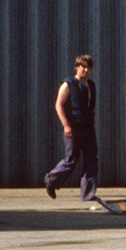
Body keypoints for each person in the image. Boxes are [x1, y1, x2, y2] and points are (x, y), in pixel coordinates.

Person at [44, 55, 98, 201]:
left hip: (88, 128)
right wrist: (66, 125)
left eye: (88, 68)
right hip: (74, 128)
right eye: (83, 67)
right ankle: (51, 180)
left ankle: (88, 193)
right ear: (77, 67)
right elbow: (59, 104)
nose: (86, 70)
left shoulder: (91, 85)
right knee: (71, 160)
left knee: (91, 159)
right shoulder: (68, 84)